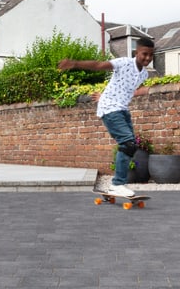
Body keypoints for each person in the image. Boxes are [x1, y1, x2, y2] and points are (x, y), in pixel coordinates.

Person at [58, 37, 155, 198]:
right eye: (144, 54)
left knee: (131, 146)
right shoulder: (123, 63)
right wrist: (75, 63)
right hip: (110, 109)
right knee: (128, 143)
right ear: (136, 52)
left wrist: (103, 95)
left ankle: (117, 184)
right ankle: (117, 184)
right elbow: (98, 66)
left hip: (122, 109)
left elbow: (121, 88)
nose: (147, 58)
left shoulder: (144, 74)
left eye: (151, 55)